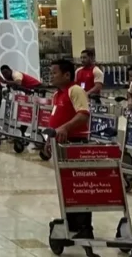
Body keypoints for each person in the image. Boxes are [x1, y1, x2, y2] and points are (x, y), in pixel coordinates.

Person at [48, 58, 93, 240]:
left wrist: (65, 128)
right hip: (60, 145)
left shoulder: (75, 91)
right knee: (67, 185)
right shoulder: (57, 94)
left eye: (54, 73)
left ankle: (83, 225)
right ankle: (71, 222)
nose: (51, 76)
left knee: (78, 185)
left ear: (67, 74)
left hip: (75, 144)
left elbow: (83, 115)